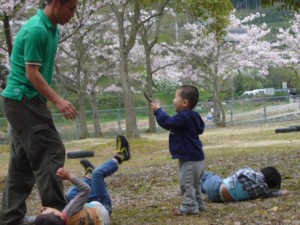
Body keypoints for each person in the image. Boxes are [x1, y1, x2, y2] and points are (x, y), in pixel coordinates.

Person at [0, 1, 78, 224]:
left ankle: (10, 218)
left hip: (24, 101)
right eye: (70, 8)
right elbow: (32, 73)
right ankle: (57, 216)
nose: (72, 15)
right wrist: (57, 100)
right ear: (56, 4)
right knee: (51, 150)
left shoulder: (51, 29)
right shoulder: (36, 29)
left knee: (22, 162)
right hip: (23, 99)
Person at [35, 135, 131, 225]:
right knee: (97, 173)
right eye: (44, 212)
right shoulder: (69, 210)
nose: (43, 209)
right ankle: (121, 155)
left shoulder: (64, 221)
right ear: (58, 215)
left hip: (101, 219)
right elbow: (86, 190)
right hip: (102, 205)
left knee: (70, 195)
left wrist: (46, 216)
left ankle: (88, 175)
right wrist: (69, 177)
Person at [150, 85, 206, 215]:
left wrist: (158, 111)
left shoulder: (184, 116)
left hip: (190, 159)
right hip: (196, 158)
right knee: (195, 184)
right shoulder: (191, 116)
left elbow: (168, 122)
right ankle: (199, 204)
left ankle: (190, 206)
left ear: (185, 103)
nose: (173, 100)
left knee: (186, 183)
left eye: (176, 97)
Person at [201, 166, 288, 203]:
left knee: (207, 175)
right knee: (203, 184)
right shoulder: (263, 191)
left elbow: (239, 173)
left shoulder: (253, 174)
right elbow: (272, 193)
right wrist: (281, 192)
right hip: (218, 198)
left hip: (217, 187)